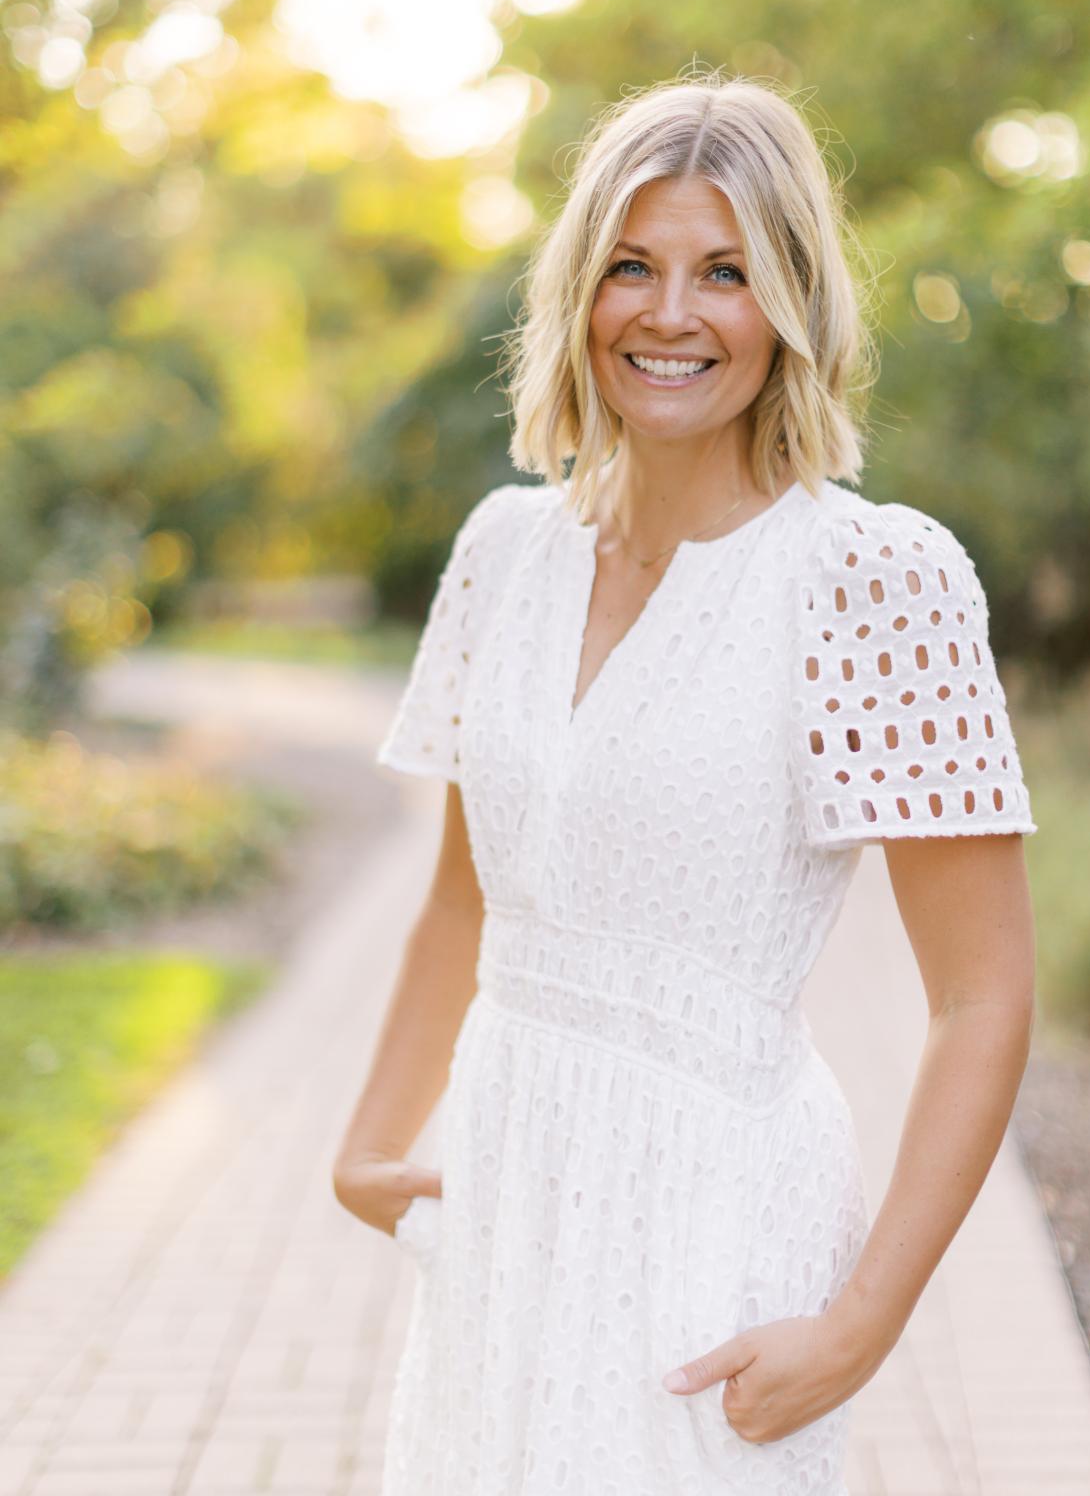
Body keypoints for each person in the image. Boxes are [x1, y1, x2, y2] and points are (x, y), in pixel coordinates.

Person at [333, 72, 1038, 1496]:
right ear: (577, 293)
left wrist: (862, 1324)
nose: (670, 313)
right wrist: (367, 1147)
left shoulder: (870, 578)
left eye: (725, 272)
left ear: (792, 303)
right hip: (504, 1212)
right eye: (631, 267)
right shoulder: (502, 554)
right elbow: (464, 904)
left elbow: (983, 997)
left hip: (714, 1235)